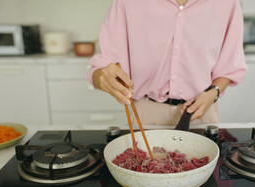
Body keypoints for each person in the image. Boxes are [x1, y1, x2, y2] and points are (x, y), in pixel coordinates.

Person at [87, 0, 246, 126]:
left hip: (202, 112)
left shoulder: (228, 2)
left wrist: (214, 92)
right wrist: (101, 76)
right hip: (146, 112)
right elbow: (102, 67)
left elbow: (230, 66)